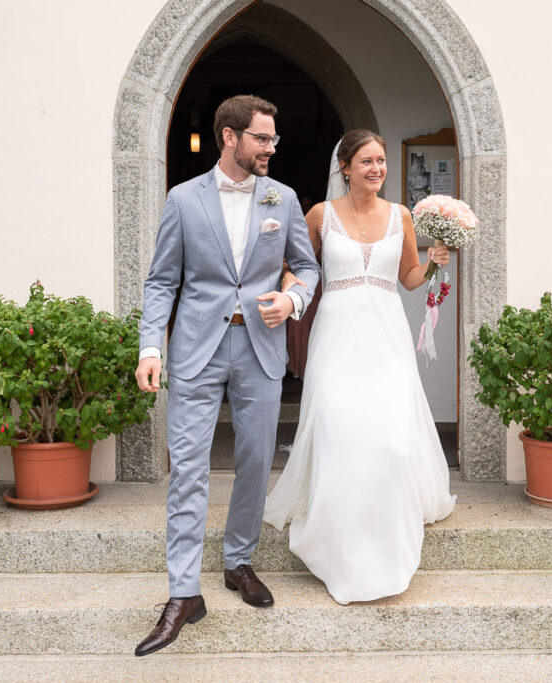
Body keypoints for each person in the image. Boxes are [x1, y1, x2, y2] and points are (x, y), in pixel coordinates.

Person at [133, 95, 320, 656]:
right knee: (188, 467)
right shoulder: (183, 199)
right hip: (196, 348)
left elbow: (307, 267)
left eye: (273, 139)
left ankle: (238, 561)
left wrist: (292, 300)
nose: (271, 147)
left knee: (255, 460)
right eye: (262, 138)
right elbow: (161, 281)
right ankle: (183, 593)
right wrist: (150, 348)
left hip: (259, 349)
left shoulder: (281, 198)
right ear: (230, 138)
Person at [264, 129, 456, 605]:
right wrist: (288, 290)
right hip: (336, 335)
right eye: (367, 161)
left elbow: (410, 279)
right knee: (336, 430)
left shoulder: (402, 216)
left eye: (382, 161)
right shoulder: (319, 215)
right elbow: (300, 267)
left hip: (386, 336)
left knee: (391, 442)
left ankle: (384, 536)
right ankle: (337, 541)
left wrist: (434, 263)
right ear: (345, 167)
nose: (377, 169)